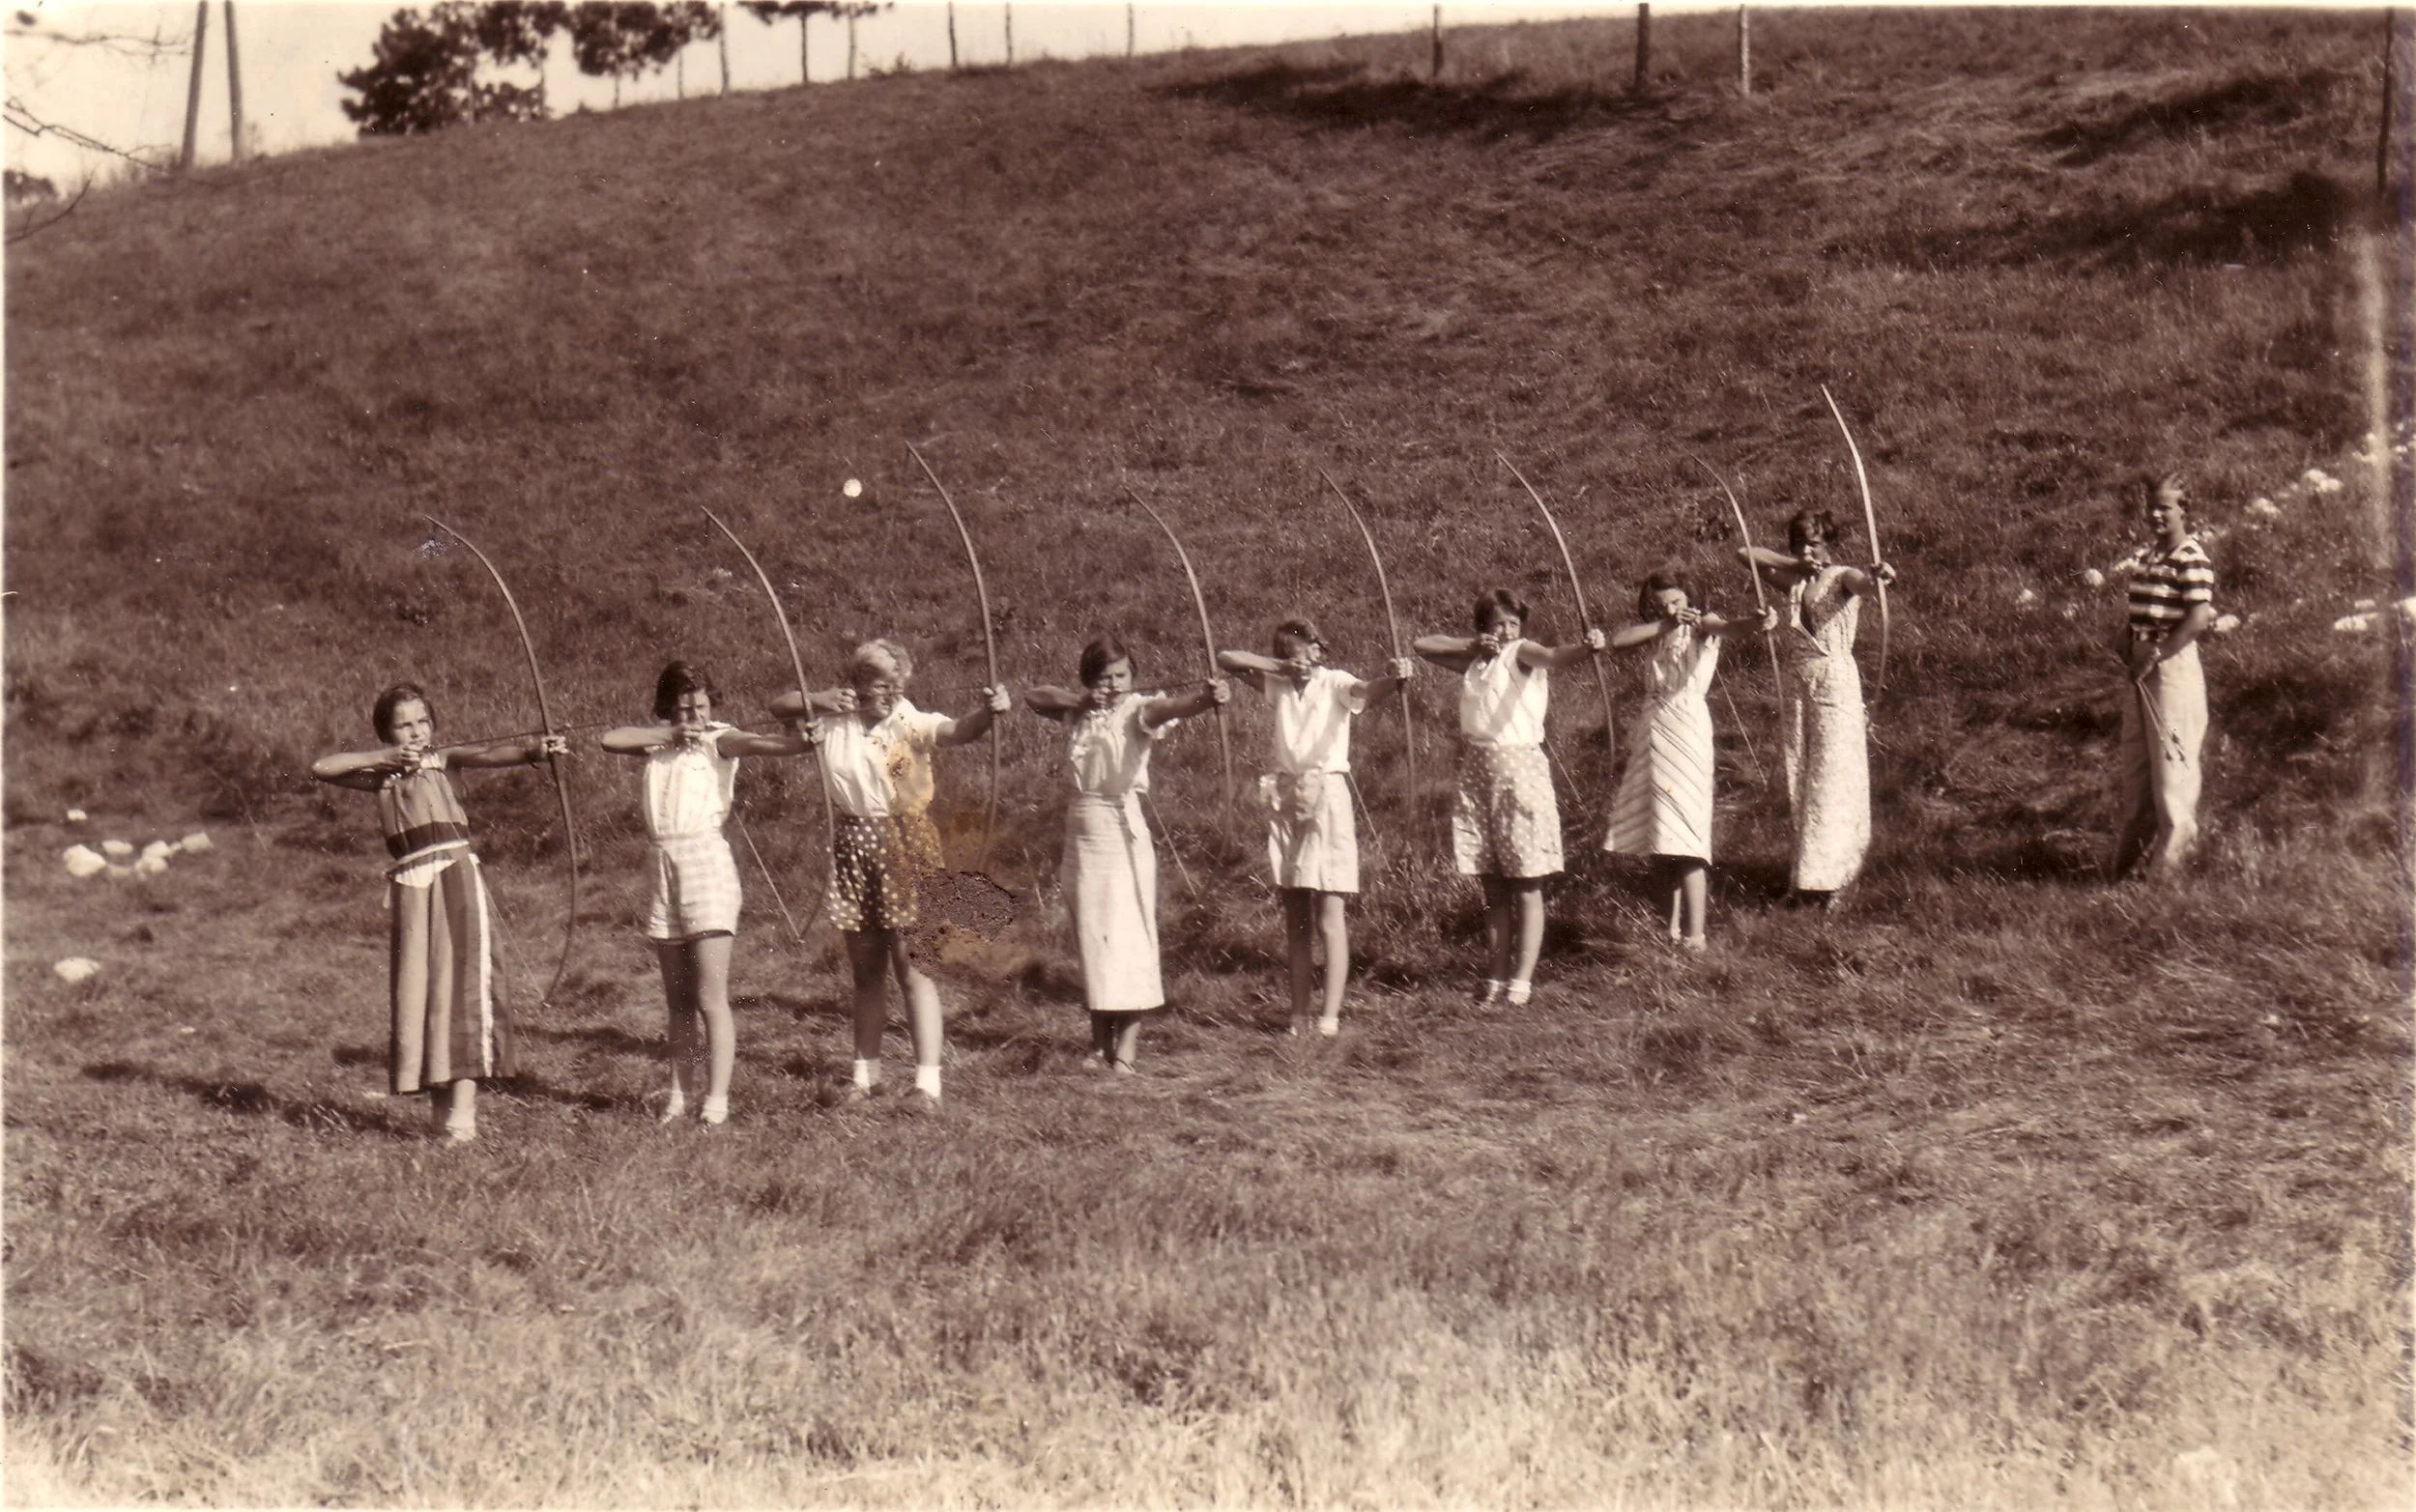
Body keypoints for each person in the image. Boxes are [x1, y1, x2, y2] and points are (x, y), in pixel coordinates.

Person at [311, 683, 565, 1143]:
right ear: (388, 733)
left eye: (422, 722)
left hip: (454, 876)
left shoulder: (444, 760)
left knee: (461, 991)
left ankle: (462, 1119)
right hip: (412, 888)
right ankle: (438, 1116)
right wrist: (384, 759)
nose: (416, 732)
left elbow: (491, 754)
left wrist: (536, 751)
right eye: (403, 726)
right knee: (423, 995)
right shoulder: (381, 777)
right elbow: (322, 767)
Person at [771, 640, 1009, 1106]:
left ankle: (927, 1085)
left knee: (914, 968)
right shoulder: (833, 720)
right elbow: (779, 706)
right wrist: (818, 699)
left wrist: (988, 712)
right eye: (882, 684)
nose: (892, 693)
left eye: (898, 685)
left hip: (908, 848)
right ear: (857, 682)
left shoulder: (908, 720)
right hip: (855, 848)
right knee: (866, 972)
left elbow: (957, 731)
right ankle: (866, 1078)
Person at [598, 662, 817, 1127]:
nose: (694, 715)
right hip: (662, 865)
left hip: (705, 864)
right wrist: (671, 733)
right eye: (683, 708)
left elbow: (766, 744)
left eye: (700, 705)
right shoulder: (658, 742)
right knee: (677, 1000)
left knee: (709, 996)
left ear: (711, 705)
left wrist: (800, 738)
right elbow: (609, 739)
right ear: (668, 710)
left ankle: (716, 1102)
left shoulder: (720, 738)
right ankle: (678, 1097)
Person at [1024, 635, 1228, 1073]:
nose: (1115, 684)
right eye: (1105, 676)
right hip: (1081, 832)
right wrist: (1081, 700)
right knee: (1093, 940)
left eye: (1122, 675)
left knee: (1128, 939)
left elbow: (1171, 708)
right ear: (1090, 679)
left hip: (1120, 830)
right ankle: (1099, 1046)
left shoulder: (1137, 710)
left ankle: (1127, 1050)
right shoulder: (1080, 711)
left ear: (1133, 677)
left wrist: (1205, 698)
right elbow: (1033, 696)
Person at [1216, 619, 1415, 1038]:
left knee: (1329, 913)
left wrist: (1393, 678)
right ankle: (1298, 1015)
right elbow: (1227, 658)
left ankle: (1329, 1017)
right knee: (1296, 916)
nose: (1306, 659)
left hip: (1327, 796)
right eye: (1296, 651)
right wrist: (1279, 667)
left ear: (1322, 651)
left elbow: (1365, 692)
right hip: (1288, 796)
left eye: (1312, 650)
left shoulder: (1334, 681)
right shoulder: (1279, 685)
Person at [1414, 590, 1607, 1007]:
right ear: (1484, 627)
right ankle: (1496, 975)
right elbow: (1422, 645)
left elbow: (1553, 656)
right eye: (1498, 624)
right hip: (1478, 772)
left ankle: (1521, 981)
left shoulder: (1521, 652)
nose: (1506, 631)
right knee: (1493, 885)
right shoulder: (1476, 661)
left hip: (1519, 772)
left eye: (1513, 624)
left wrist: (1585, 647)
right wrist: (1473, 646)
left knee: (1526, 881)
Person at [1739, 510, 1898, 907]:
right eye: (1800, 544)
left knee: (1835, 775)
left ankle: (1841, 878)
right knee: (1802, 773)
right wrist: (1795, 564)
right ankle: (1806, 878)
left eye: (1815, 544)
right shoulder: (1794, 581)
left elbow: (1866, 584)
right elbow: (1745, 554)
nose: (1807, 551)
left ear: (1829, 545)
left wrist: (1880, 576)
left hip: (1835, 683)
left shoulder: (1841, 575)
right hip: (1800, 686)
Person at [1602, 571, 1766, 952]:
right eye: (1661, 605)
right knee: (1660, 840)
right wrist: (1665, 622)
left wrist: (1757, 621)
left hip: (1687, 729)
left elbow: (1731, 628)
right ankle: (1667, 933)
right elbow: (1617, 641)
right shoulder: (1660, 630)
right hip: (1653, 729)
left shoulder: (1702, 625)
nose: (1670, 609)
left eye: (1676, 601)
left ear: (1691, 599)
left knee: (1688, 841)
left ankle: (1695, 937)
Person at [2109, 473, 2215, 880]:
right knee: (2137, 771)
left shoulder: (2191, 557)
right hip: (2140, 671)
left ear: (2184, 510)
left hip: (2172, 672)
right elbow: (2142, 610)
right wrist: (2127, 636)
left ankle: (2167, 875)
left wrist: (2158, 653)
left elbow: (2198, 618)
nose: (2156, 515)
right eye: (2151, 507)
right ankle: (2125, 871)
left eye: (2165, 508)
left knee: (2173, 770)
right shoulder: (2150, 556)